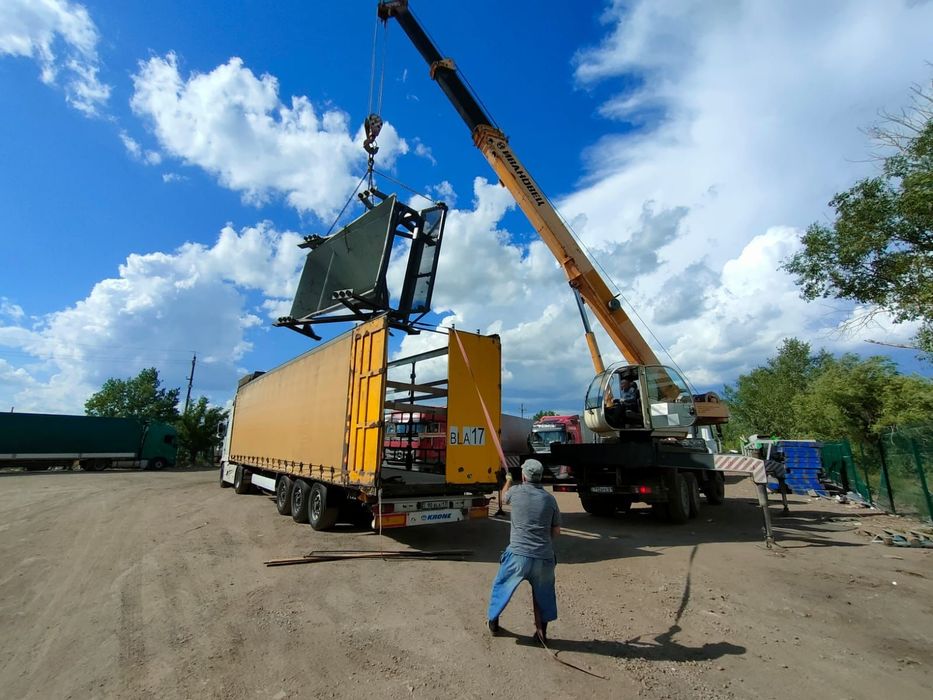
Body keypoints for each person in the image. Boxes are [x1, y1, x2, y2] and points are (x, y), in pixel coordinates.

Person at [487, 458, 561, 643]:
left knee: (502, 586)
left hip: (517, 557)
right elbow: (556, 531)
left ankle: (493, 623)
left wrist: (508, 480)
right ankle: (541, 634)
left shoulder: (515, 492)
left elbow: (503, 497)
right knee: (544, 594)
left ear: (524, 476)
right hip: (543, 558)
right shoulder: (550, 500)